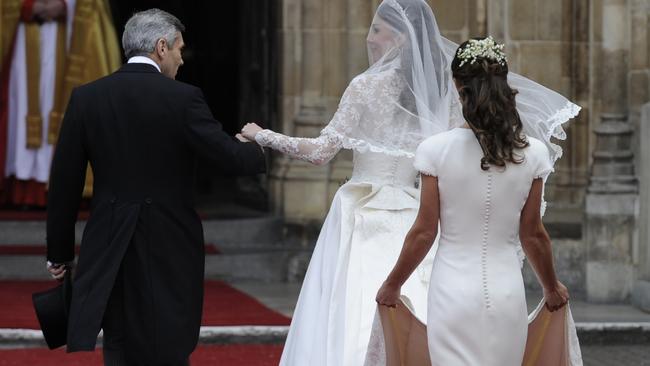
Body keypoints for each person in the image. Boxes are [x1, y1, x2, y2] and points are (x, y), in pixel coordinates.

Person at [45, 9, 266, 365]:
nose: (181, 58)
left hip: (109, 241)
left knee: (119, 345)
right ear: (161, 48)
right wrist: (258, 142)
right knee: (169, 344)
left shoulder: (87, 98)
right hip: (169, 244)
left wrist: (59, 252)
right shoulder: (183, 98)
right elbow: (231, 160)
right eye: (179, 49)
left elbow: (65, 184)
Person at [241, 1, 449, 364]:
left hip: (363, 213)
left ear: (399, 39)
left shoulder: (366, 86)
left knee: (354, 300)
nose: (368, 39)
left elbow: (322, 151)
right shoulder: (435, 93)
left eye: (376, 30)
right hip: (413, 212)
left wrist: (263, 135)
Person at [375, 37, 581, 365]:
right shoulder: (534, 154)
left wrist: (392, 284)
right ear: (503, 83)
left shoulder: (435, 150)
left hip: (451, 293)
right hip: (506, 292)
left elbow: (424, 231)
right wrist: (551, 287)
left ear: (457, 86)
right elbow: (533, 235)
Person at [1, 0, 121, 207]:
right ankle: (22, 187)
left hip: (67, 36)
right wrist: (28, 6)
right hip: (23, 35)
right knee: (20, 104)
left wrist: (67, 5)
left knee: (60, 102)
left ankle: (64, 185)